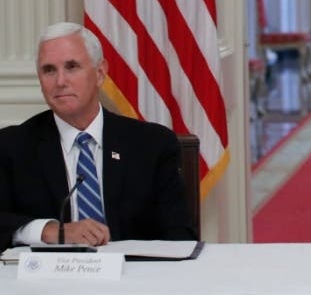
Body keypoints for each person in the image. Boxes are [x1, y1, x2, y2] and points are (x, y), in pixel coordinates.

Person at [0, 22, 196, 248]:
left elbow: (180, 235)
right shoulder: (12, 147)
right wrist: (50, 230)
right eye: (49, 70)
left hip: (134, 277)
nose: (60, 81)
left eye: (72, 66)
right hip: (50, 279)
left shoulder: (152, 145)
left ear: (100, 73)